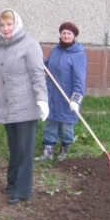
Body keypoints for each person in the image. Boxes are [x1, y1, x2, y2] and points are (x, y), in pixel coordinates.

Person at [0, 9, 48, 204]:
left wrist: (42, 99)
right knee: (15, 148)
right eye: (2, 25)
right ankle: (12, 183)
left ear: (17, 25)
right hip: (7, 105)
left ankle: (22, 190)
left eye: (9, 24)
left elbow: (37, 74)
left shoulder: (30, 45)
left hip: (25, 105)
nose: (6, 28)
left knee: (25, 150)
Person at [35, 22, 87, 162]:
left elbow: (79, 80)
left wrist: (76, 100)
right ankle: (48, 152)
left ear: (74, 36)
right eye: (63, 33)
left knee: (66, 126)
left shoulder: (78, 55)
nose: (66, 36)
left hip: (67, 98)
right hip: (52, 94)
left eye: (69, 33)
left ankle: (64, 150)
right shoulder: (56, 50)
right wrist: (38, 60)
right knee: (50, 123)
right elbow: (48, 67)